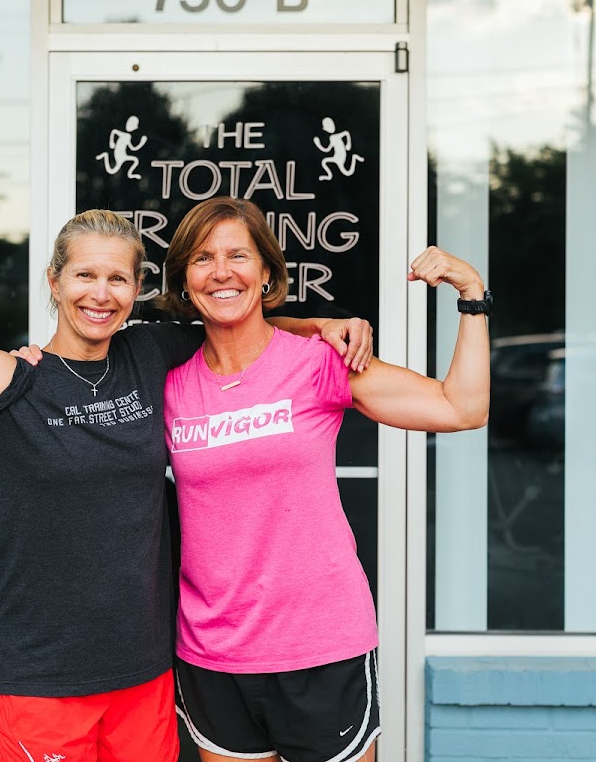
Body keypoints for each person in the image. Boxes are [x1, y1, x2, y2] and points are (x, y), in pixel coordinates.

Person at [0, 204, 374, 762]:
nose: (100, 293)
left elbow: (234, 318)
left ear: (136, 289)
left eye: (117, 278)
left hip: (144, 676)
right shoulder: (6, 377)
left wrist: (321, 327)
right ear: (54, 281)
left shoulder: (150, 352)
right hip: (40, 677)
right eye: (85, 275)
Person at [158, 197, 490, 762]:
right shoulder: (168, 380)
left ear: (267, 272)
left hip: (321, 647)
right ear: (184, 281)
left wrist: (472, 296)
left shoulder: (315, 363)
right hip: (213, 652)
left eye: (238, 255)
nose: (221, 272)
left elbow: (461, 407)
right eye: (202, 258)